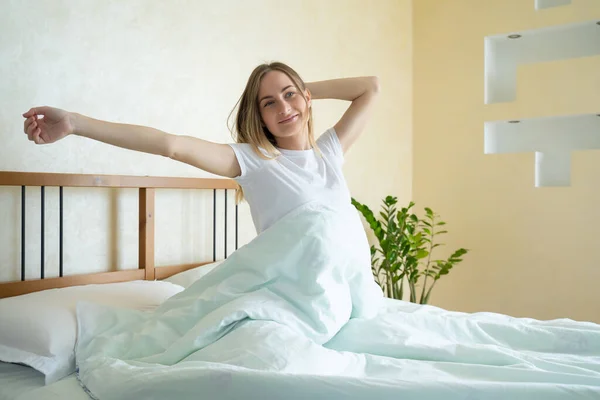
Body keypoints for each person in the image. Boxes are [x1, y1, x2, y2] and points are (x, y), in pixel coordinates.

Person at [22, 61, 380, 234]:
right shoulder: (253, 160)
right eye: (269, 103)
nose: (284, 108)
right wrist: (74, 123)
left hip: (344, 290)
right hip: (291, 295)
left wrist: (300, 88)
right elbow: (171, 146)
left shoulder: (329, 154)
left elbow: (370, 88)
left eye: (289, 96)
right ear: (260, 117)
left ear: (306, 97)